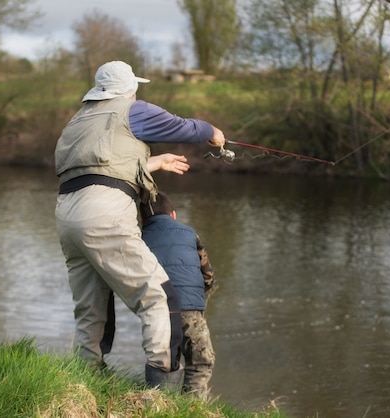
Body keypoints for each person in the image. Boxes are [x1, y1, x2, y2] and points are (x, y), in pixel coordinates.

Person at [53, 61, 225, 390]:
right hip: (104, 214)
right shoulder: (132, 109)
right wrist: (212, 132)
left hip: (67, 215)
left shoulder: (79, 120)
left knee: (91, 304)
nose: (136, 93)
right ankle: (158, 392)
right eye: (135, 88)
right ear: (129, 88)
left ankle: (84, 380)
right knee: (159, 298)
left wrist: (154, 162)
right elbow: (182, 127)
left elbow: (100, 167)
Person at [139, 191, 217, 400]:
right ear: (173, 214)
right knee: (199, 361)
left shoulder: (138, 240)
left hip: (158, 311)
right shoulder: (190, 234)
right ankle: (193, 408)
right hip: (190, 309)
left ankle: (164, 404)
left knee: (165, 362)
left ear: (142, 218)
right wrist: (203, 294)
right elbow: (207, 275)